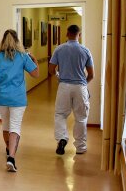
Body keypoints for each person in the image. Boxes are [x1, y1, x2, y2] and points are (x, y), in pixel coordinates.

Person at [0, 29, 39, 172]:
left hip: (2, 97)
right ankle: (11, 158)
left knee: (6, 126)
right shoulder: (23, 57)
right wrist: (35, 60)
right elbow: (36, 74)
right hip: (18, 98)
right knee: (15, 127)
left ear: (3, 41)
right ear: (17, 41)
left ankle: (9, 150)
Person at [48, 25, 94, 155]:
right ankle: (80, 147)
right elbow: (91, 75)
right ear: (79, 35)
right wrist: (83, 84)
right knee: (81, 117)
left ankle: (62, 138)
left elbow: (51, 70)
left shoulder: (59, 49)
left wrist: (58, 75)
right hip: (80, 87)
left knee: (60, 114)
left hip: (64, 86)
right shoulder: (85, 51)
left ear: (67, 34)